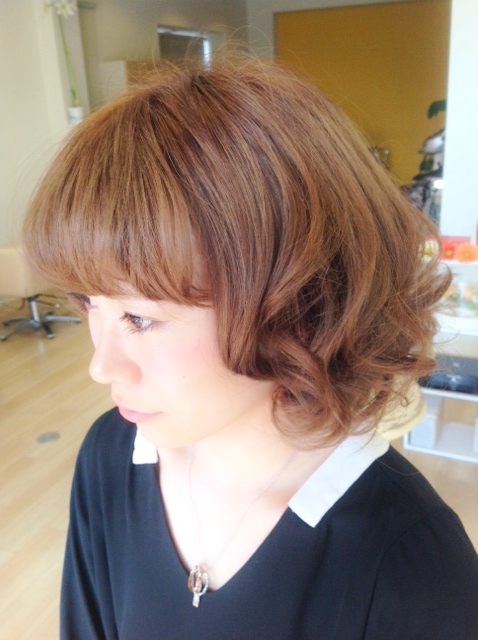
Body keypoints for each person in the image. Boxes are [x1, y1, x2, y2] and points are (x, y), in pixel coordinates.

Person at [23, 57, 477, 639]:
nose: (101, 366)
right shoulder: (112, 456)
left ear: (296, 301)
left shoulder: (412, 564)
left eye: (139, 318)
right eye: (89, 304)